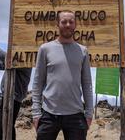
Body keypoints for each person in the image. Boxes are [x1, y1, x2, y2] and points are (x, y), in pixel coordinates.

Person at [32, 10, 93, 140]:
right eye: (64, 21)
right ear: (57, 24)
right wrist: (36, 113)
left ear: (75, 25)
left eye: (71, 22)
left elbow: (87, 83)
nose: (67, 25)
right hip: (48, 114)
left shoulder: (83, 51)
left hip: (76, 115)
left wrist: (89, 113)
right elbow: (37, 83)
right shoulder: (45, 49)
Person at [0, 42, 32, 140]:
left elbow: (8, 58)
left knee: (4, 127)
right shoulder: (16, 60)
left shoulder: (25, 60)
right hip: (8, 96)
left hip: (14, 97)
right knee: (6, 126)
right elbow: (0, 65)